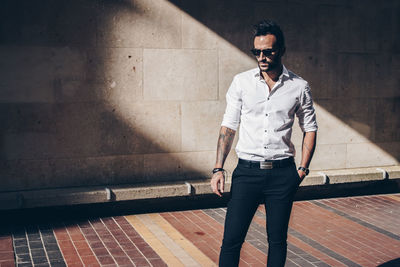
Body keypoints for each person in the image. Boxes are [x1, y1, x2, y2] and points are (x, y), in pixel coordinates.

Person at [210, 20, 318, 267]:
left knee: (277, 241)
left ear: (280, 50)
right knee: (231, 240)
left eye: (267, 51)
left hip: (282, 174)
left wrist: (302, 169)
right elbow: (228, 126)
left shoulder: (299, 87)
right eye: (256, 52)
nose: (261, 57)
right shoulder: (241, 82)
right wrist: (218, 167)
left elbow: (310, 128)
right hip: (247, 173)